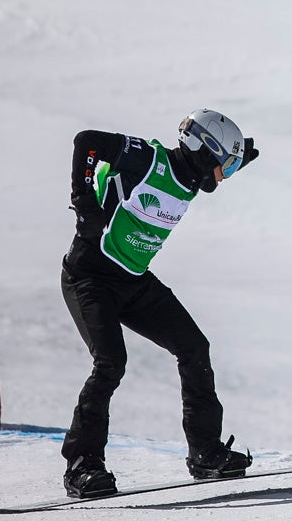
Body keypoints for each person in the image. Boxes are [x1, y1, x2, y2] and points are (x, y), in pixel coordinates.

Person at [60, 108, 260, 498]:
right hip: (90, 278)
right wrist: (83, 200)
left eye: (232, 169)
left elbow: (203, 173)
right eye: (226, 166)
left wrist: (236, 159)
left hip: (132, 280)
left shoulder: (190, 175)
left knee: (194, 347)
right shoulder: (148, 159)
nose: (225, 176)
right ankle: (83, 465)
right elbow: (87, 141)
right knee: (110, 364)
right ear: (204, 151)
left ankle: (205, 453)